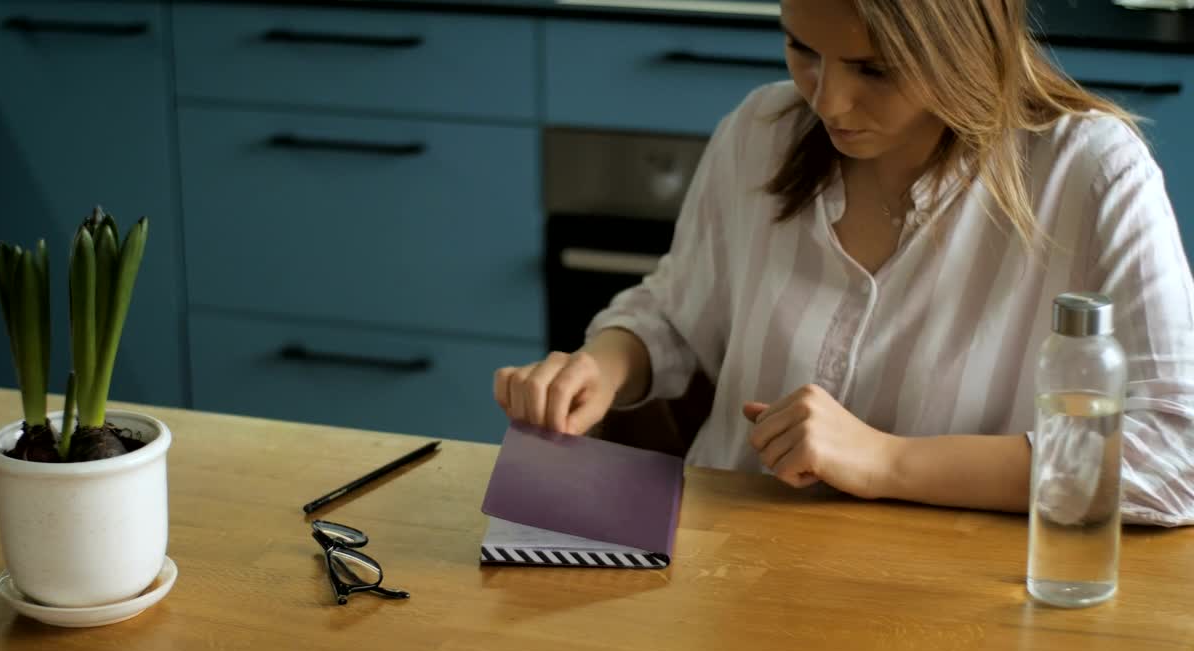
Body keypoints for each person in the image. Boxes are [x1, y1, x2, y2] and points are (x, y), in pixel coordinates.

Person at [494, 0, 1194, 525]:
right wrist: (605, 363)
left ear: (966, 48)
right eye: (802, 49)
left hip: (939, 607)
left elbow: (1174, 461)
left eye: (874, 69)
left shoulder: (1091, 171)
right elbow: (677, 315)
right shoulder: (760, 131)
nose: (826, 100)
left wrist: (887, 461)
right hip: (717, 571)